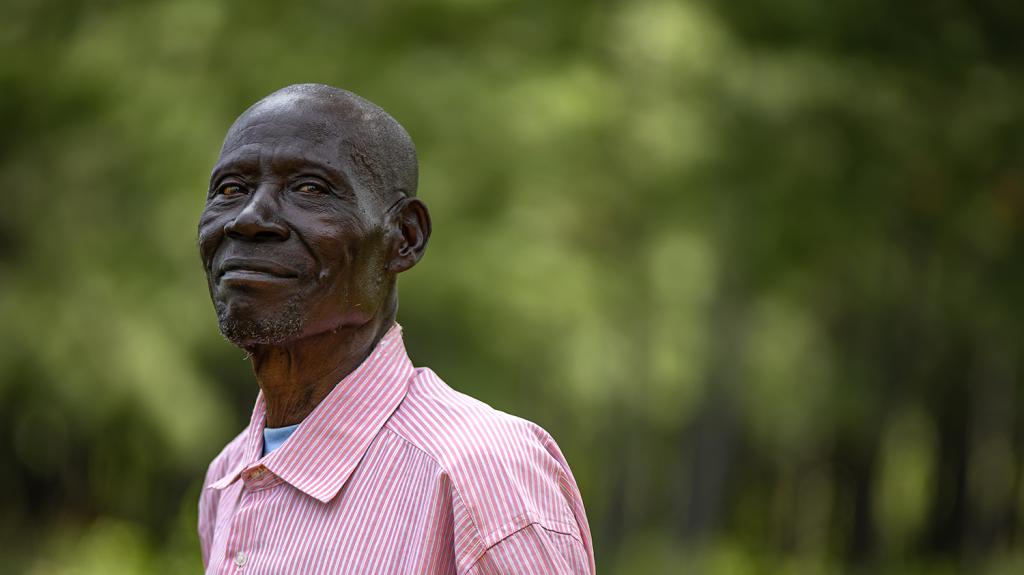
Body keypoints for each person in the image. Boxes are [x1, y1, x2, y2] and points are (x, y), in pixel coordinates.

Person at [196, 83, 595, 574]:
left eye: (309, 188)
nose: (250, 218)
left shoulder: (482, 470)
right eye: (230, 189)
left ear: (403, 238)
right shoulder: (229, 478)